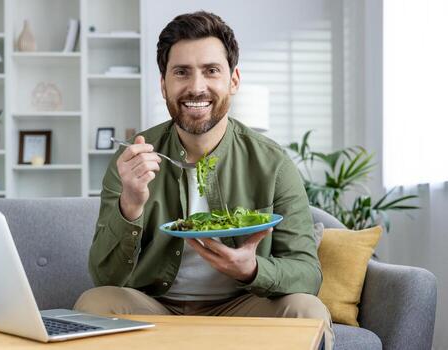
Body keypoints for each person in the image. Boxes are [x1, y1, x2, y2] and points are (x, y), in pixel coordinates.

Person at [75, 11, 334, 349]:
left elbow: (307, 273)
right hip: (156, 308)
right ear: (163, 83)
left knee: (306, 310)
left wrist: (252, 270)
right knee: (93, 304)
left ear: (233, 80)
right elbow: (105, 277)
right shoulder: (133, 159)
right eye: (181, 72)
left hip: (244, 305)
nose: (196, 87)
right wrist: (131, 205)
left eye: (211, 71)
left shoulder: (273, 163)